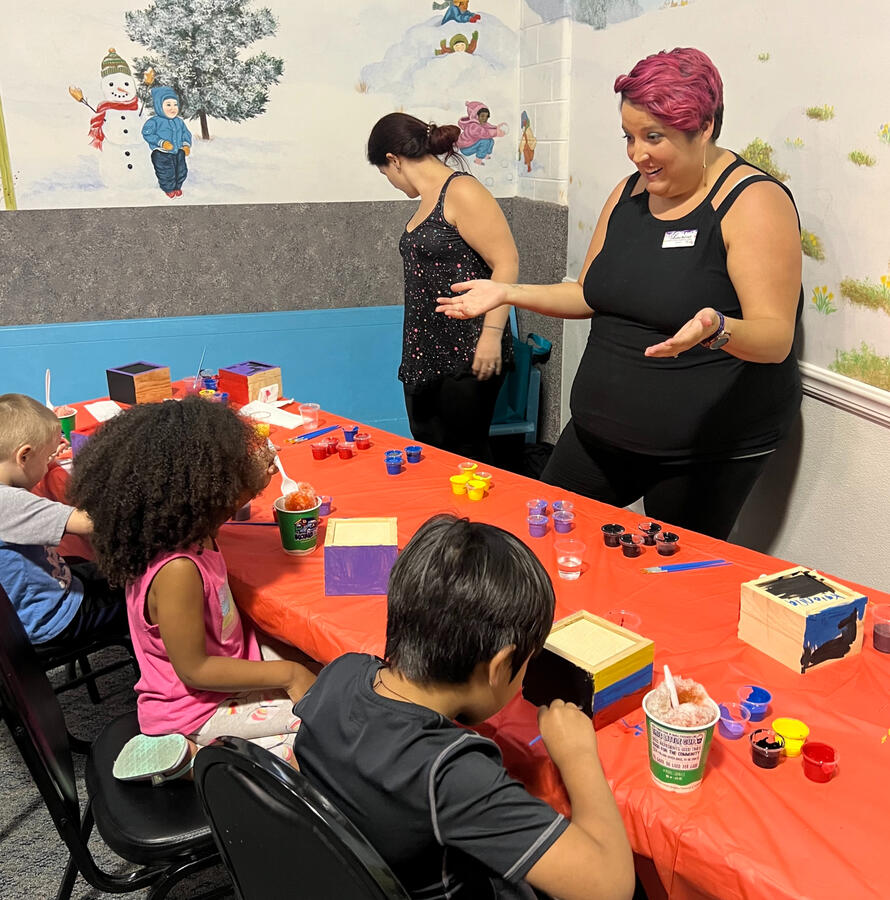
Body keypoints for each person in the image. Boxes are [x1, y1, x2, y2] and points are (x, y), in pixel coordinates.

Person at [436, 47, 803, 540]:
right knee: (538, 541)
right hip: (598, 435)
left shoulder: (753, 202)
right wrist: (507, 292)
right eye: (629, 137)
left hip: (701, 452)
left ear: (706, 126)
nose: (637, 154)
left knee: (663, 586)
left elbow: (774, 338)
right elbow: (590, 295)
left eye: (655, 137)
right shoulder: (629, 193)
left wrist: (717, 329)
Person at [293, 515, 635, 900]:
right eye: (526, 665)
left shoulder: (341, 672)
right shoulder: (452, 775)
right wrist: (577, 755)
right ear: (500, 666)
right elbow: (611, 887)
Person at [68, 396, 316, 783]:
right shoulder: (177, 570)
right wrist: (289, 675)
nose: (243, 483)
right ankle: (191, 760)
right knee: (327, 739)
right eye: (234, 474)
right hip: (194, 707)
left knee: (324, 677)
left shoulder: (192, 533)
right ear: (201, 492)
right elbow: (195, 669)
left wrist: (254, 478)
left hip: (230, 664)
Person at [367, 112, 517, 464]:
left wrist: (491, 336)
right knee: (432, 456)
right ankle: (444, 522)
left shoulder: (462, 190)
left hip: (467, 349)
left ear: (394, 160)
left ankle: (476, 520)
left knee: (466, 456)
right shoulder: (427, 199)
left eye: (384, 173)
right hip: (425, 351)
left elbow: (506, 262)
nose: (388, 179)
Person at [0, 393, 128, 648]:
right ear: (23, 456)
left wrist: (44, 456)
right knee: (147, 591)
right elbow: (91, 522)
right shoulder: (11, 504)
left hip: (31, 603)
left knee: (115, 570)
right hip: (51, 618)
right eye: (47, 458)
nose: (50, 466)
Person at [142, 84, 192, 198]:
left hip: (178, 151)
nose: (172, 108)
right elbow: (147, 133)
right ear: (159, 106)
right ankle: (168, 188)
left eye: (175, 105)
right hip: (161, 153)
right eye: (168, 105)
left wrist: (186, 145)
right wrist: (161, 142)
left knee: (181, 171)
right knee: (166, 172)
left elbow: (186, 133)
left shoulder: (179, 121)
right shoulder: (154, 121)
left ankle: (177, 186)